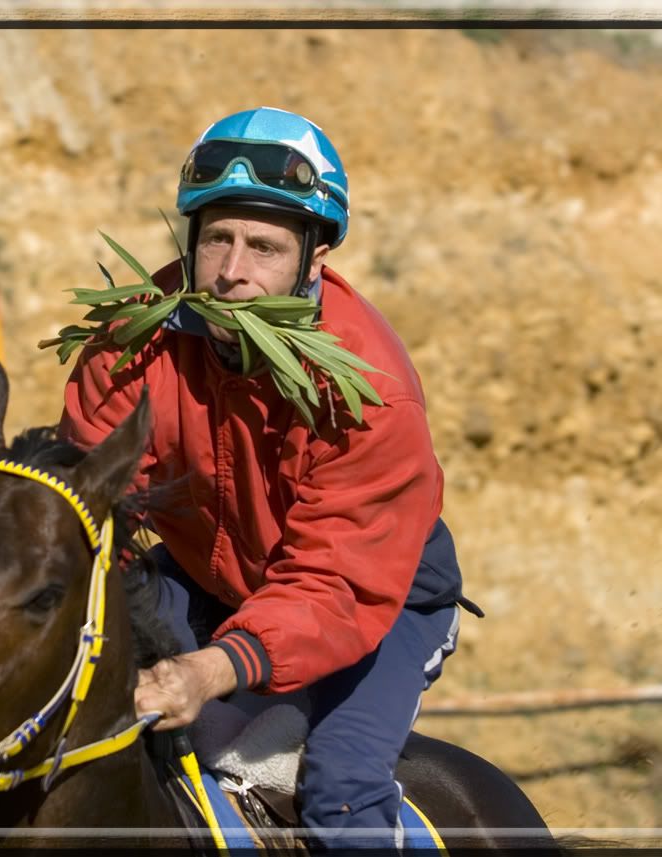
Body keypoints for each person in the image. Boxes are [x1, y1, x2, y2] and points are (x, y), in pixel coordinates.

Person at [58, 106, 480, 851]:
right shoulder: (134, 342)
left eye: (264, 247)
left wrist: (210, 670)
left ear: (315, 259)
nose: (231, 272)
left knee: (339, 789)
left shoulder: (369, 388)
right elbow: (95, 508)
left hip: (375, 597)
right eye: (216, 238)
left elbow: (332, 583)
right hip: (208, 575)